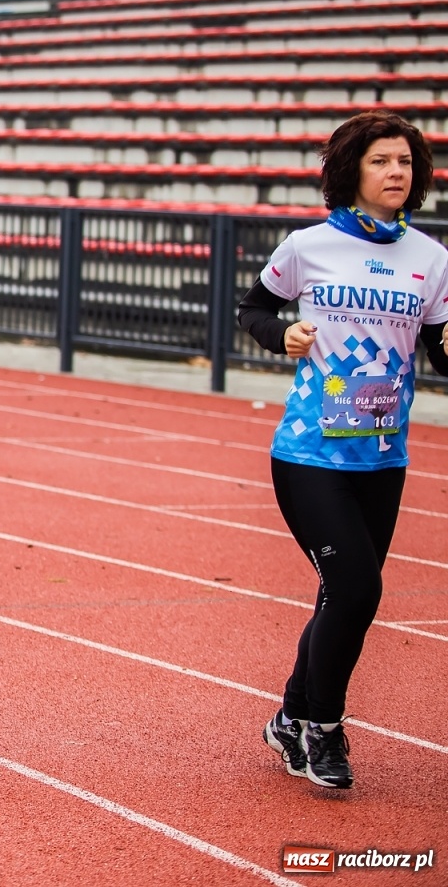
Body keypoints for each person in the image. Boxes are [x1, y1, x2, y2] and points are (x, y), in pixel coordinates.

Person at [239, 111, 448, 790]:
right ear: (352, 171)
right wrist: (284, 337)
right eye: (383, 161)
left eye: (406, 163)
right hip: (309, 453)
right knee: (357, 587)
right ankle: (325, 729)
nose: (397, 172)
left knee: (343, 596)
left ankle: (290, 717)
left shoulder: (430, 259)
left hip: (382, 457)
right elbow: (253, 311)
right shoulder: (309, 246)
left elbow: (442, 351)